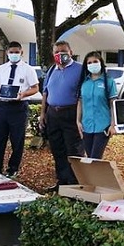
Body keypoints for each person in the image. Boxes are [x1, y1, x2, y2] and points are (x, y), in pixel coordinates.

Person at [40, 40, 84, 191]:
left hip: (71, 113)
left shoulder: (80, 69)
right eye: (57, 52)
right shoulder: (52, 70)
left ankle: (74, 185)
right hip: (53, 114)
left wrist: (79, 117)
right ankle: (62, 182)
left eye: (63, 51)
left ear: (71, 52)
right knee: (57, 149)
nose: (60, 54)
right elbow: (45, 93)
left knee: (73, 150)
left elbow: (82, 95)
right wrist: (42, 114)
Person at [0, 41, 39, 178]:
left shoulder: (28, 69)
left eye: (16, 52)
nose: (13, 54)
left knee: (17, 140)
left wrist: (24, 94)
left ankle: (13, 168)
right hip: (2, 106)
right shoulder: (1, 68)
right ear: (7, 53)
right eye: (11, 52)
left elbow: (35, 87)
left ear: (21, 52)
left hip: (18, 107)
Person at [76, 51, 117, 159]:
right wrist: (78, 121)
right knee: (90, 157)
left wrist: (113, 125)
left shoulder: (109, 82)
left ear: (101, 63)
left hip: (103, 126)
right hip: (86, 126)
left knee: (95, 158)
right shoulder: (84, 82)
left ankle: (98, 176)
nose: (92, 64)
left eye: (95, 61)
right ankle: (94, 176)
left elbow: (113, 104)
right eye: (89, 62)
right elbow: (80, 102)